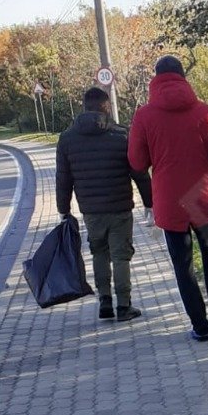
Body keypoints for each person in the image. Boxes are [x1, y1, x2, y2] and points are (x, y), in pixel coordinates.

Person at [128, 54, 208, 342]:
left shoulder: (144, 115)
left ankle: (199, 327)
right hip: (201, 197)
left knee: (183, 264)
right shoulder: (204, 111)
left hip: (169, 201)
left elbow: (137, 162)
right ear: (182, 77)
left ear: (156, 78)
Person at [55, 86, 150, 321]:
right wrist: (150, 202)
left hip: (91, 211)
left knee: (99, 253)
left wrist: (63, 209)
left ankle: (104, 301)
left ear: (85, 107)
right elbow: (139, 172)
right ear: (106, 106)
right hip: (119, 208)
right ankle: (124, 305)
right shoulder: (121, 135)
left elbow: (62, 178)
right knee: (120, 256)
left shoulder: (67, 139)